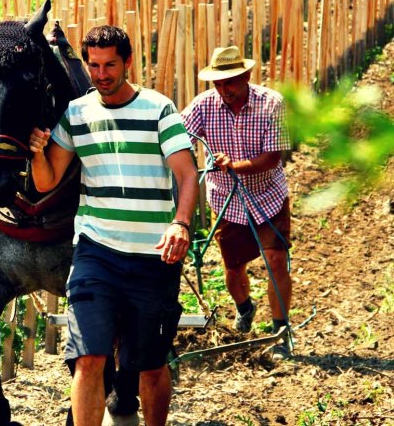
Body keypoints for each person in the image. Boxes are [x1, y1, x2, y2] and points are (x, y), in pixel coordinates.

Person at [29, 25, 198, 426]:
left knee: (150, 366)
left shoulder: (159, 109)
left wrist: (180, 223)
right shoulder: (77, 114)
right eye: (94, 66)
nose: (101, 75)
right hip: (96, 253)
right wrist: (37, 154)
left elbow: (187, 174)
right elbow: (47, 181)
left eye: (109, 65)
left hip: (153, 256)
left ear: (127, 63)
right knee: (88, 358)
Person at [181, 45, 293, 360]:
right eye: (218, 83)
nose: (223, 90)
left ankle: (281, 332)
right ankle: (245, 308)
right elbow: (177, 136)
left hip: (268, 195)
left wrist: (235, 165)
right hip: (227, 201)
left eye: (229, 82)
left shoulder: (271, 103)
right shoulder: (204, 105)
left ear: (246, 76)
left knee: (275, 260)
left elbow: (273, 157)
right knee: (233, 270)